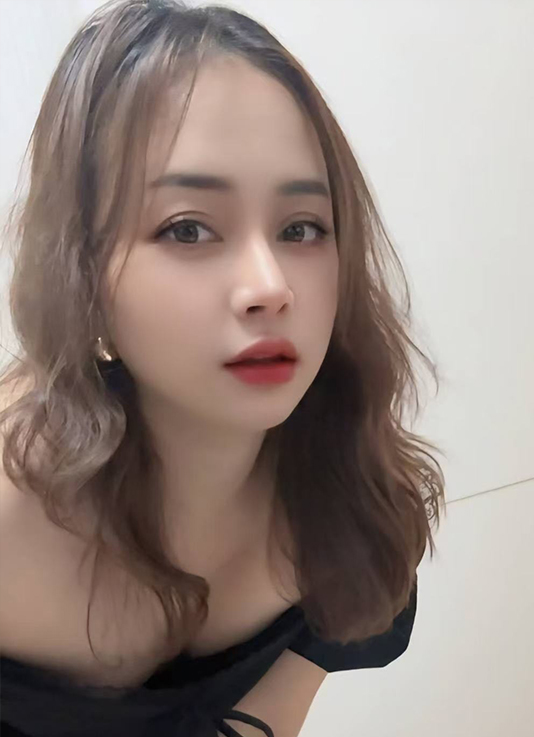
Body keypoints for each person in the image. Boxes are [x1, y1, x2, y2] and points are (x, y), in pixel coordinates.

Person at [0, 0, 446, 735]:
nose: (270, 286)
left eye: (301, 227)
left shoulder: (350, 504)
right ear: (81, 270)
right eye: (188, 229)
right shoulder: (15, 511)